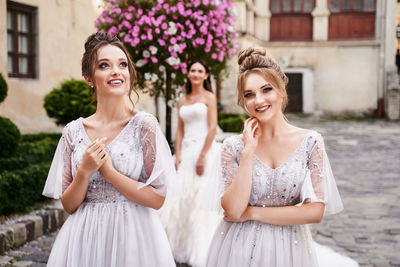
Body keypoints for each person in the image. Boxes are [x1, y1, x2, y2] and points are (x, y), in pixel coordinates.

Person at [206, 47, 358, 267]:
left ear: (280, 90)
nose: (258, 100)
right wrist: (248, 152)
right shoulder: (232, 147)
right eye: (249, 94)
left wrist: (252, 213)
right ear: (243, 100)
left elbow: (315, 211)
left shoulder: (310, 142)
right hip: (238, 249)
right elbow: (232, 210)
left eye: (266, 89)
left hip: (290, 249)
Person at [42, 32, 177, 267]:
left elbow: (157, 199)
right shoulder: (73, 132)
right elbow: (69, 205)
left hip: (134, 238)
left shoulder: (144, 126)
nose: (116, 71)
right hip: (84, 238)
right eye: (104, 65)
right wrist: (84, 171)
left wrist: (110, 173)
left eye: (122, 64)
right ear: (89, 78)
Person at [159, 59, 222, 267]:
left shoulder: (209, 97)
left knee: (200, 200)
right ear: (188, 74)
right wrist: (176, 155)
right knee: (180, 198)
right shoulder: (182, 100)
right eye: (193, 70)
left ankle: (202, 248)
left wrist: (203, 155)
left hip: (204, 151)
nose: (195, 74)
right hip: (185, 153)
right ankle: (179, 245)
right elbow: (179, 130)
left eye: (200, 71)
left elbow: (212, 128)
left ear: (206, 75)